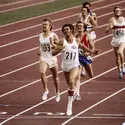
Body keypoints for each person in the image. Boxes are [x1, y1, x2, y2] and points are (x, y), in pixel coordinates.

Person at [52, 24, 99, 116]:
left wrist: (92, 52)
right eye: (64, 30)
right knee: (70, 84)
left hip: (74, 65)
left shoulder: (76, 40)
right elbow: (53, 53)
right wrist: (59, 49)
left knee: (71, 80)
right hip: (65, 66)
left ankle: (69, 105)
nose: (66, 31)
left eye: (67, 29)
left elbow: (84, 47)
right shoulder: (62, 41)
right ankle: (73, 91)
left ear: (72, 30)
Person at [74, 21, 98, 101]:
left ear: (84, 28)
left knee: (91, 75)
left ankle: (77, 93)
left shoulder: (87, 36)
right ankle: (77, 94)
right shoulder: (75, 37)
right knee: (77, 76)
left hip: (86, 58)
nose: (79, 27)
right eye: (78, 26)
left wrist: (89, 52)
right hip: (78, 58)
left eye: (81, 26)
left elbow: (93, 47)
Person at [38, 17, 60, 102]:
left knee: (55, 78)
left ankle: (57, 92)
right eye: (43, 25)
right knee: (42, 72)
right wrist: (39, 50)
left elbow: (59, 46)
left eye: (45, 25)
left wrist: (53, 44)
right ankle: (45, 90)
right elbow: (40, 45)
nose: (44, 26)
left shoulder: (53, 35)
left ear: (50, 26)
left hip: (52, 58)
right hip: (43, 57)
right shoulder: (40, 35)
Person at [105, 6, 125, 79]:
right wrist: (108, 28)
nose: (117, 12)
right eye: (116, 11)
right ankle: (119, 70)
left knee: (120, 52)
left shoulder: (123, 19)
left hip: (123, 39)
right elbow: (106, 30)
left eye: (119, 10)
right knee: (117, 57)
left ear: (121, 12)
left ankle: (123, 66)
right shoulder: (112, 20)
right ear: (114, 12)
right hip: (115, 40)